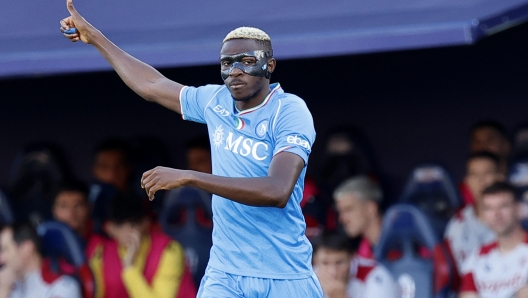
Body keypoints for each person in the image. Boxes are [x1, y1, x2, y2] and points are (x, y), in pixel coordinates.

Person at [60, 1, 322, 297]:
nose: (234, 71)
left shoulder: (289, 111)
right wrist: (94, 36)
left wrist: (191, 177)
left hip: (284, 274)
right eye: (227, 63)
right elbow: (152, 84)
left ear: (269, 66)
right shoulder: (216, 101)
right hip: (226, 273)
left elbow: (277, 191)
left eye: (246, 61)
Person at [88, 194, 196, 298]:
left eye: (133, 224)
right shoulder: (100, 254)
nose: (127, 231)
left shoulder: (169, 250)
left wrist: (129, 268)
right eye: (119, 225)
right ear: (109, 228)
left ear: (146, 223)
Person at [459, 182, 528, 298]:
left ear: (517, 208)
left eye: (503, 206)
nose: (496, 214)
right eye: (489, 208)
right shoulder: (477, 257)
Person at [444, 151, 504, 272]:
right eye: (474, 175)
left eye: (487, 173)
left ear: (500, 178)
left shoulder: (515, 220)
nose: (481, 180)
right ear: (466, 181)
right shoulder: (457, 223)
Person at [0, 223, 81, 298]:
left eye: (5, 249)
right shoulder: (8, 285)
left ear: (27, 248)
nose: (1, 259)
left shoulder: (60, 287)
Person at [313, 231, 398, 298]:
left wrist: (341, 296)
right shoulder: (306, 280)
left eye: (339, 263)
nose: (333, 272)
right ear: (315, 260)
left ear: (352, 258)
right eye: (325, 263)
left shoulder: (373, 275)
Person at [333, 176, 384, 259]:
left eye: (348, 210)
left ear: (371, 208)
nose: (342, 219)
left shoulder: (402, 245)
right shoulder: (360, 253)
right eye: (340, 212)